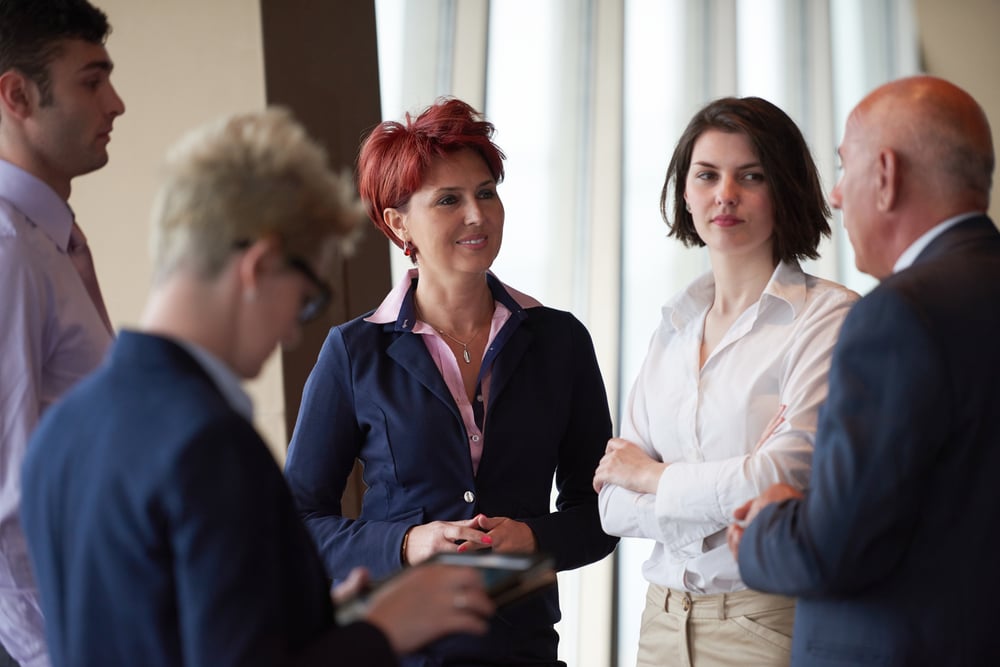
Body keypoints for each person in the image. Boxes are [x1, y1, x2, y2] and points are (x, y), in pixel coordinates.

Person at [20, 108, 496, 667]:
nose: (295, 328)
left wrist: (317, 625)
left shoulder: (62, 429)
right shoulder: (208, 445)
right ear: (261, 265)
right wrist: (382, 631)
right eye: (305, 298)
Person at [284, 97, 618, 666]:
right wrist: (407, 544)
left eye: (486, 192)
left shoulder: (560, 341)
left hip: (525, 652)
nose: (476, 215)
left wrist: (534, 540)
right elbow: (296, 522)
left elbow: (602, 515)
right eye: (448, 200)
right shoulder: (354, 351)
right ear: (398, 223)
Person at [727, 76, 999, 665]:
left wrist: (770, 521)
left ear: (886, 174)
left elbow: (837, 546)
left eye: (844, 168)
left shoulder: (896, 316)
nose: (837, 195)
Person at [593, 96, 859, 666]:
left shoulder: (828, 318)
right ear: (685, 192)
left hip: (764, 624)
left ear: (783, 188)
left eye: (751, 176)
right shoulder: (673, 326)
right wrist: (716, 491)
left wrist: (653, 476)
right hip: (660, 623)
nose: (725, 195)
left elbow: (782, 477)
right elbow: (612, 505)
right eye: (707, 175)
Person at [0, 1, 124, 665]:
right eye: (91, 80)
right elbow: (3, 502)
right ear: (17, 95)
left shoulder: (50, 244)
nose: (117, 103)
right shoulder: (9, 252)